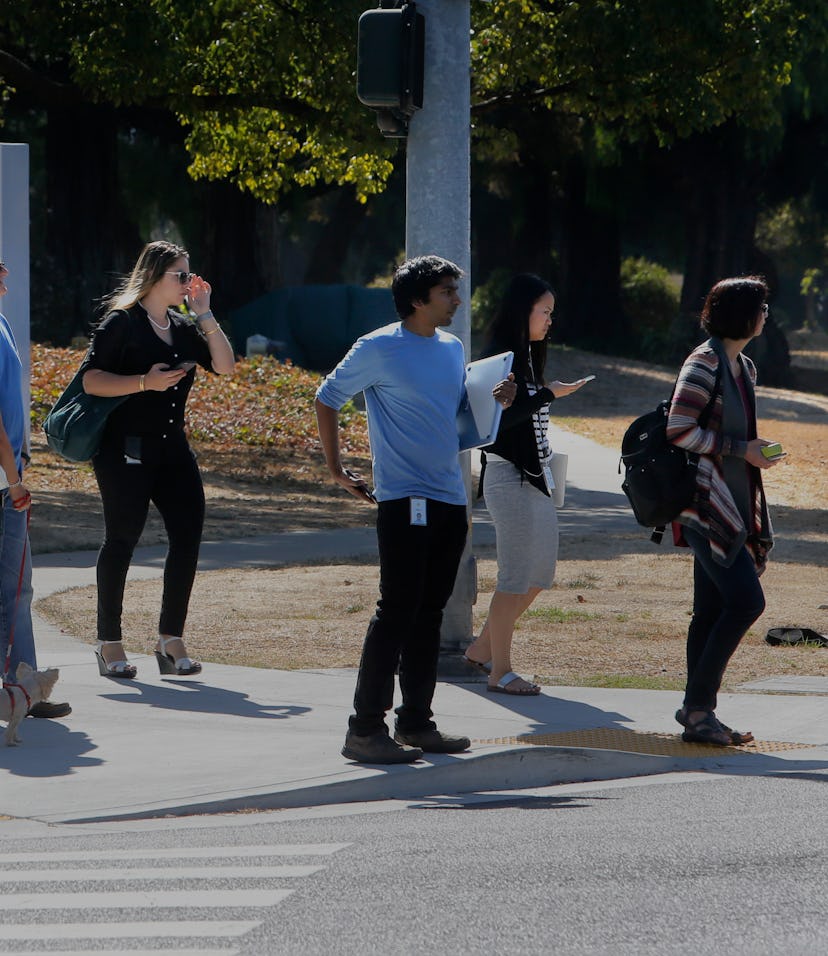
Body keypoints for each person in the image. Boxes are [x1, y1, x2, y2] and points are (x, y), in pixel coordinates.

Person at [315, 255, 516, 764]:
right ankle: (364, 730)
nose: (457, 300)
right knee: (397, 611)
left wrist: (498, 400)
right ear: (417, 299)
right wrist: (337, 469)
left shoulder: (452, 349)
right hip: (406, 498)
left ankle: (416, 723)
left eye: (455, 290)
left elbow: (459, 418)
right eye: (447, 291)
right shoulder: (378, 346)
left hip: (450, 497)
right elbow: (327, 397)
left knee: (430, 614)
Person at [81, 241, 235, 678]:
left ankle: (170, 638)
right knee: (122, 538)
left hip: (172, 448)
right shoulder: (122, 323)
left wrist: (205, 313)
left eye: (190, 274)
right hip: (124, 448)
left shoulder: (184, 327)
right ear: (153, 276)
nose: (188, 282)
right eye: (180, 275)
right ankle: (108, 641)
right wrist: (143, 383)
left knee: (188, 535)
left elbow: (225, 366)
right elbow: (91, 380)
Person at [667, 275, 782, 746]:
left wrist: (754, 451)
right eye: (762, 307)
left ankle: (698, 714)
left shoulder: (744, 366)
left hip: (731, 502)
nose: (767, 315)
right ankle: (698, 708)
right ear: (743, 315)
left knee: (711, 610)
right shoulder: (704, 362)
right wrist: (739, 448)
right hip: (703, 503)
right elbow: (679, 429)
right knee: (746, 602)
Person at [464, 274, 591, 694]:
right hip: (507, 477)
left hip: (536, 479)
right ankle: (500, 671)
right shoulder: (499, 361)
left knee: (540, 575)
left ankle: (480, 651)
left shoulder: (529, 360)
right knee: (515, 578)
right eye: (545, 312)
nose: (550, 321)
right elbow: (494, 428)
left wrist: (547, 392)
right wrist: (548, 395)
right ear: (523, 311)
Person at [0, 260, 71, 718]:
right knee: (14, 587)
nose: (4, 270)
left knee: (17, 588)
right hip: (4, 481)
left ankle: (22, 688)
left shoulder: (2, 324)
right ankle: (20, 689)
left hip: (8, 475)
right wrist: (13, 479)